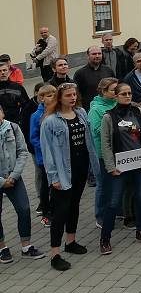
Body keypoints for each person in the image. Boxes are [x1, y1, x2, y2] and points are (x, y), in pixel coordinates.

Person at [40, 82, 100, 271]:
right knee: (60, 211)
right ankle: (55, 254)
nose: (72, 98)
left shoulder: (81, 113)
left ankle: (71, 241)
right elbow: (47, 151)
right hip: (62, 170)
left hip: (80, 168)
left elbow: (88, 141)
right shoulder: (50, 121)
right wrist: (53, 177)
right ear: (59, 98)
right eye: (68, 96)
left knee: (74, 205)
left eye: (74, 94)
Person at [99, 82, 141, 254]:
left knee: (140, 198)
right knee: (114, 202)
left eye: (129, 93)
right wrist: (110, 167)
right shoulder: (108, 117)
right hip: (119, 167)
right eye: (123, 93)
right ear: (115, 96)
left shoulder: (138, 113)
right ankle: (105, 238)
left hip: (140, 164)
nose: (128, 96)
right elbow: (106, 144)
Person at [0, 105, 46, 264]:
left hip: (14, 178)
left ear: (2, 112)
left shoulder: (13, 127)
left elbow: (22, 152)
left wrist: (13, 176)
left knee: (24, 209)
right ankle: (2, 248)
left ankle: (26, 246)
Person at [87, 77, 119, 227]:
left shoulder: (117, 103)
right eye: (113, 90)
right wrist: (118, 128)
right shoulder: (96, 109)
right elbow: (97, 130)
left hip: (118, 150)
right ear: (103, 91)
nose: (117, 92)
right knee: (103, 184)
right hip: (102, 153)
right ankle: (100, 215)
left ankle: (116, 210)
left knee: (116, 183)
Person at [29, 84, 56, 226]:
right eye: (49, 95)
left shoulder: (57, 113)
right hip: (44, 157)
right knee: (46, 185)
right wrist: (47, 148)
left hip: (58, 156)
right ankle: (46, 213)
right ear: (41, 99)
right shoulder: (36, 116)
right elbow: (33, 137)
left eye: (54, 94)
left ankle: (56, 209)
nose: (53, 98)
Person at [74, 47, 115, 111]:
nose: (97, 56)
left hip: (109, 107)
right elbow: (77, 94)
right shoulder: (80, 73)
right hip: (89, 109)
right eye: (94, 54)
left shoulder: (108, 70)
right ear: (88, 56)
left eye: (99, 53)